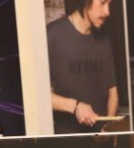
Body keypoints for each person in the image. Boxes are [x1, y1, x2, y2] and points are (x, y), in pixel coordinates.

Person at [46, 0, 118, 134]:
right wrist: (75, 106)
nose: (107, 12)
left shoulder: (104, 40)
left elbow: (113, 92)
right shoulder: (51, 36)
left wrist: (107, 128)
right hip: (67, 142)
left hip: (101, 140)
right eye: (102, 3)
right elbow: (40, 97)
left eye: (109, 5)